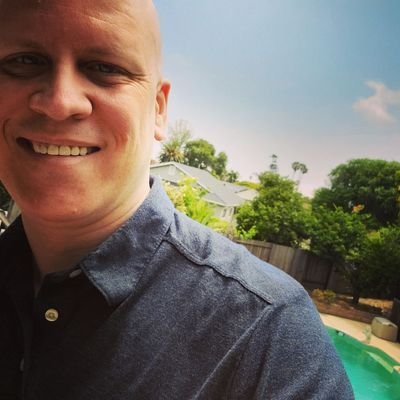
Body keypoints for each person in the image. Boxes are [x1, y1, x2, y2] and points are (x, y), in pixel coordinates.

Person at [0, 1, 354, 399]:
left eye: (104, 67)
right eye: (24, 61)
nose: (60, 102)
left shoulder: (268, 334)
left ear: (158, 109)